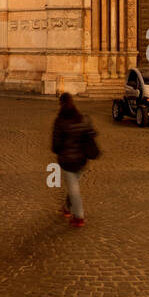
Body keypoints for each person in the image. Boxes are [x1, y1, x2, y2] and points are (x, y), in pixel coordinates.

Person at [51, 92, 97, 228]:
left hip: (67, 161)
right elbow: (92, 134)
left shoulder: (60, 121)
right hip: (82, 159)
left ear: (61, 105)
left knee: (74, 188)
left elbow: (55, 146)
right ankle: (66, 208)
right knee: (74, 185)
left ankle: (79, 216)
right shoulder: (84, 118)